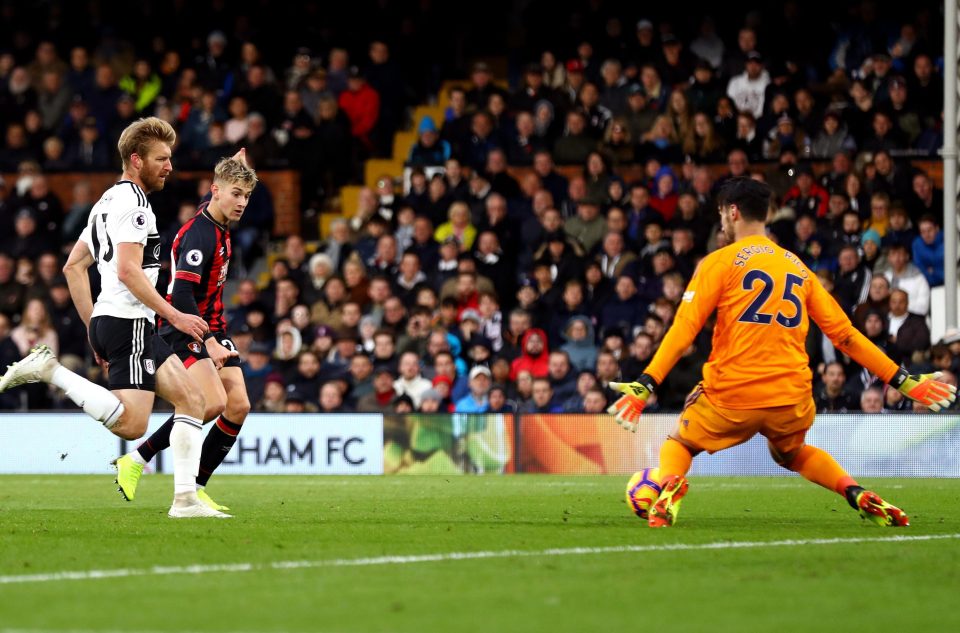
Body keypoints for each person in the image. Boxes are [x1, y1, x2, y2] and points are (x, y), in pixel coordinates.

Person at [608, 177, 955, 528]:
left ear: (732, 212)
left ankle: (668, 489)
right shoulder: (797, 266)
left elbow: (683, 332)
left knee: (679, 444)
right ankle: (854, 491)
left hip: (733, 396)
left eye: (721, 215)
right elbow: (845, 336)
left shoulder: (719, 262)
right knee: (791, 453)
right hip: (792, 398)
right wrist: (902, 379)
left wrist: (645, 384)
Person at [0, 117, 224, 518]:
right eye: (161, 158)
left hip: (114, 320)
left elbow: (74, 266)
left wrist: (92, 327)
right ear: (136, 161)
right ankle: (50, 370)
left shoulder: (105, 202)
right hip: (130, 322)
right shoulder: (135, 206)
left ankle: (186, 501)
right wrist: (175, 316)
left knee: (193, 400)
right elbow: (127, 271)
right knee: (132, 425)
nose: (169, 166)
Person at [112, 150, 258, 512]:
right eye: (235, 194)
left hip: (213, 324)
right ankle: (139, 459)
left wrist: (235, 164)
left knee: (238, 406)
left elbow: (226, 183)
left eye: (247, 195)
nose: (242, 202)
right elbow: (180, 294)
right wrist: (207, 342)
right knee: (211, 404)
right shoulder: (200, 236)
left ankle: (196, 487)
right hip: (184, 326)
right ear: (215, 191)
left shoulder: (219, 222)